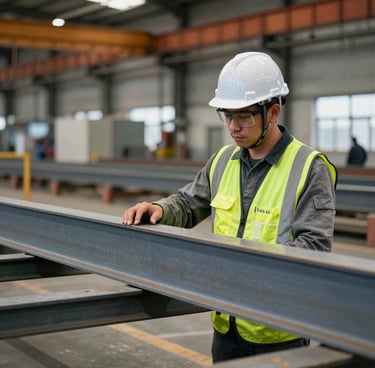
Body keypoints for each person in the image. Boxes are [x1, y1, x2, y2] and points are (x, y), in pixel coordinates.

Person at [122, 51, 337, 363]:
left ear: (273, 112)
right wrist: (158, 208)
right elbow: (187, 203)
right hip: (226, 324)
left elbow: (315, 248)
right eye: (227, 116)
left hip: (277, 330)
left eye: (244, 116)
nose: (234, 127)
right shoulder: (223, 160)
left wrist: (245, 268)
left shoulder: (309, 167)